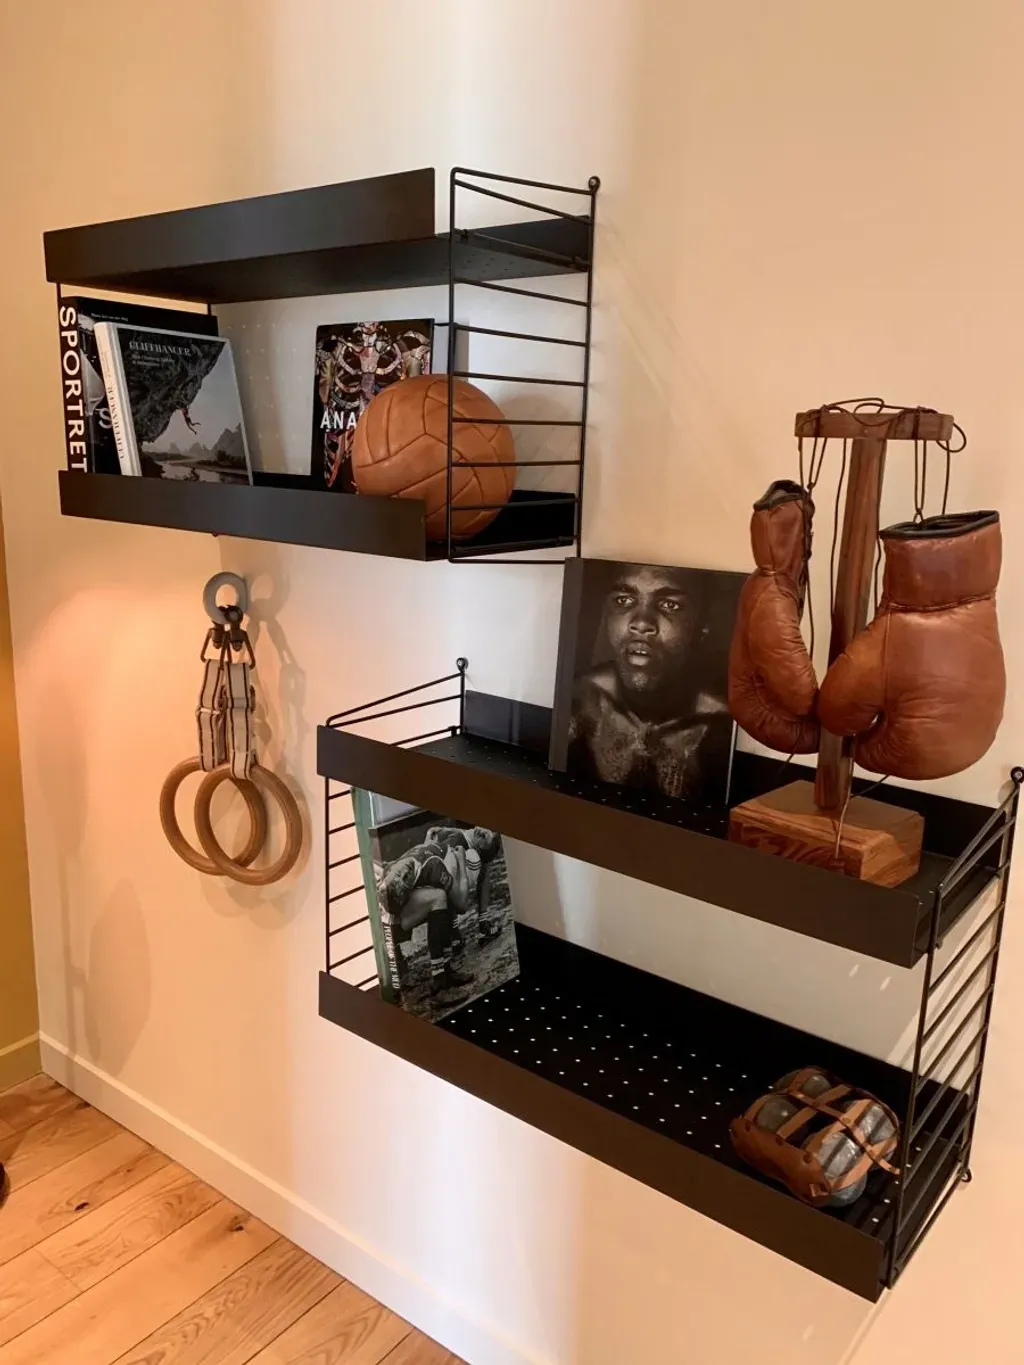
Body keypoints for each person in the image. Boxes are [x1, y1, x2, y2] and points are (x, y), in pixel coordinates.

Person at [567, 563, 729, 799]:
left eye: (669, 605)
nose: (641, 623)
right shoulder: (582, 699)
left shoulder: (720, 725)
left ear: (702, 624)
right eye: (623, 600)